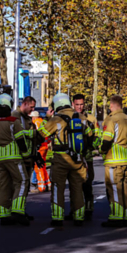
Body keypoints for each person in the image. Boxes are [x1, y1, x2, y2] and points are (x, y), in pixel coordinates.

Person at [39, 93, 91, 227]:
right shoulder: (81, 117)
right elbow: (91, 135)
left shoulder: (56, 119)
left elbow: (41, 134)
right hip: (78, 159)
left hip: (60, 159)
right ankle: (79, 217)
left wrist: (46, 119)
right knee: (77, 188)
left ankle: (57, 217)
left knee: (57, 188)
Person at [0, 93, 31, 226]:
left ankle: (4, 215)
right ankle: (17, 210)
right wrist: (26, 156)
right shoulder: (13, 122)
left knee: (4, 186)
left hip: (0, 159)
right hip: (14, 158)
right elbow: (20, 140)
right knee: (22, 181)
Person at [99, 95, 127, 227]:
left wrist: (101, 150)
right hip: (126, 160)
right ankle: (125, 214)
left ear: (113, 105)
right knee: (124, 188)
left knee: (114, 188)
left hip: (113, 160)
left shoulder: (112, 119)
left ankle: (116, 216)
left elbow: (107, 139)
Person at [72, 93, 99, 220]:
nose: (79, 107)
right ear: (73, 104)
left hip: (86, 156)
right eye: (77, 104)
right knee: (74, 185)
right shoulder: (70, 117)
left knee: (87, 183)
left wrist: (91, 146)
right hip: (72, 156)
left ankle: (88, 209)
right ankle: (75, 210)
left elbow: (97, 136)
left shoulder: (91, 119)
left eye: (81, 104)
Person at [30, 111, 51, 192]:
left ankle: (41, 186)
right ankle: (47, 184)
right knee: (43, 165)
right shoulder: (43, 122)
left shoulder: (34, 123)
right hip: (45, 146)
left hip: (39, 147)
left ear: (34, 117)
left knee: (38, 167)